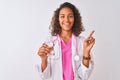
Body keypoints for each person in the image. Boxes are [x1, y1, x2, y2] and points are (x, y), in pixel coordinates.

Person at [37, 2, 95, 80]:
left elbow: (84, 76)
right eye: (62, 16)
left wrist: (86, 53)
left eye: (70, 16)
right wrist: (44, 59)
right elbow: (45, 76)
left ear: (75, 19)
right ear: (58, 19)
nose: (66, 20)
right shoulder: (49, 42)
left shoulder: (82, 42)